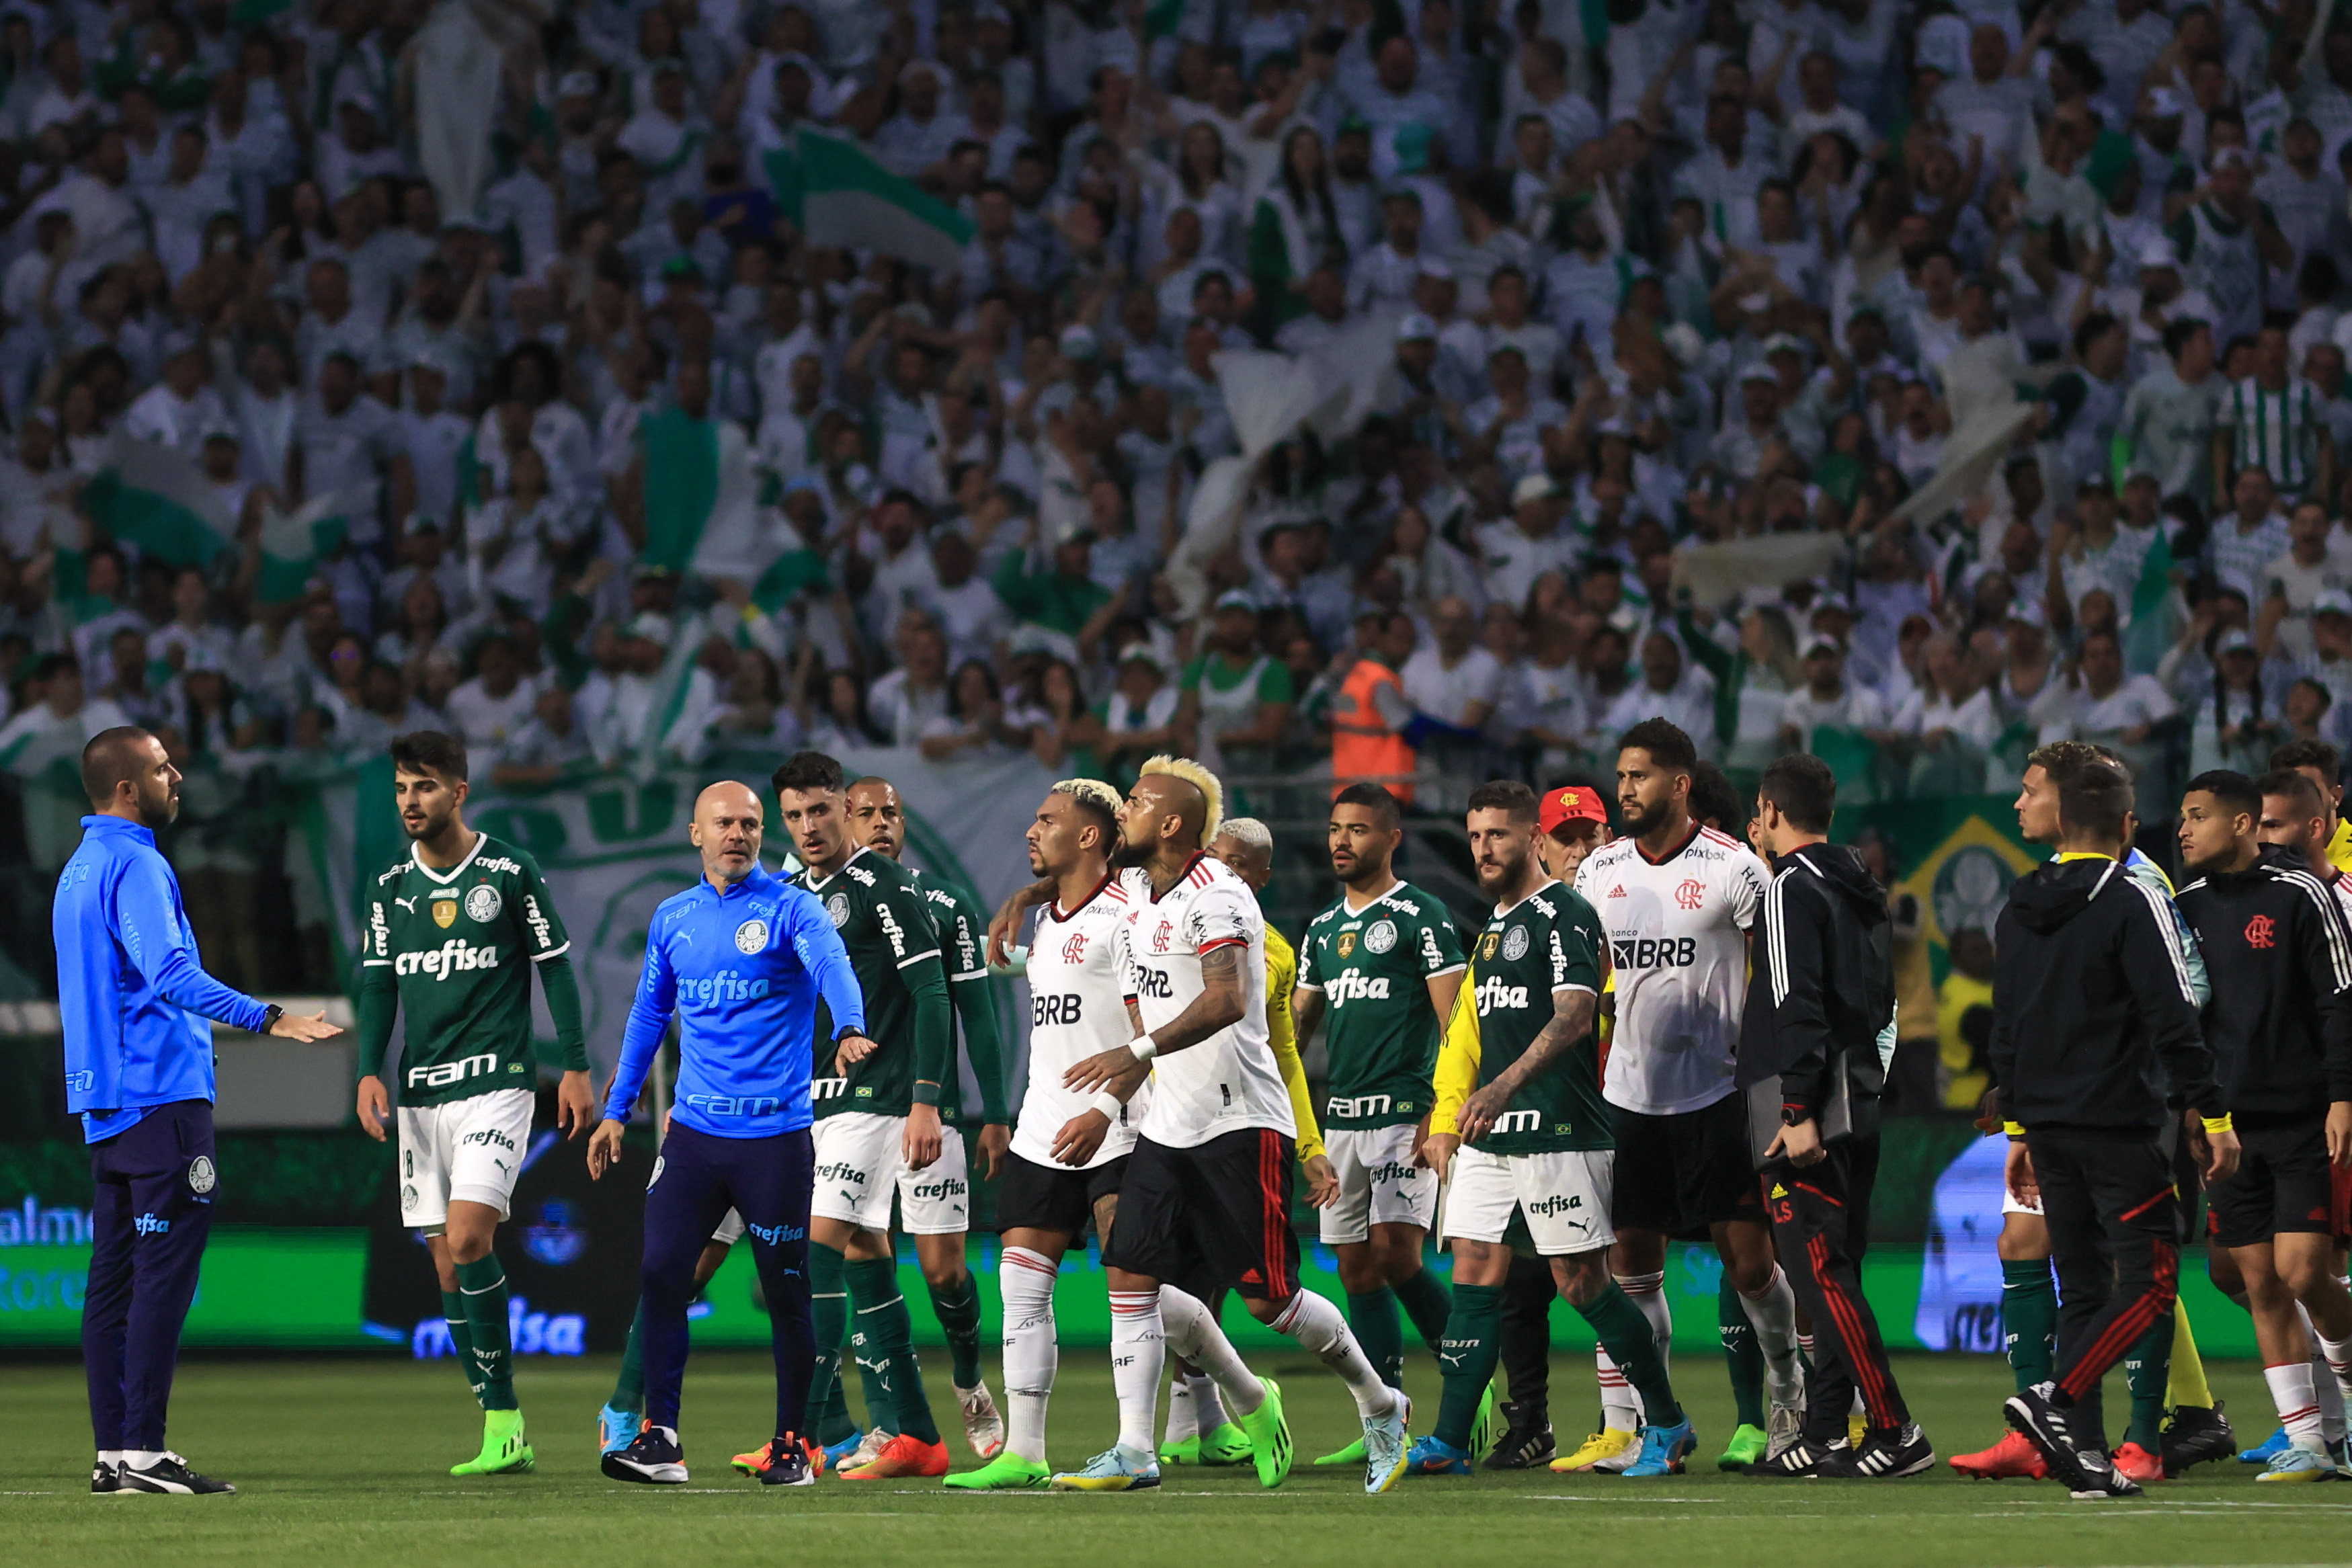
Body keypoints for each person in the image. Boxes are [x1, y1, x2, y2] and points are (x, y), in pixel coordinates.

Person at [1053, 756, 1410, 1495]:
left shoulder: (1220, 897)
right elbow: (1138, 1015)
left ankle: (1381, 1402)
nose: (1124, 811)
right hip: (1169, 1124)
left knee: (1268, 1297)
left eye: (1138, 803)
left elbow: (1224, 999)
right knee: (1129, 1272)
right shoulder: (1132, 903)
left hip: (1238, 1120)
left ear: (1172, 823)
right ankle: (1134, 1447)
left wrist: (1136, 1051)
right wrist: (1113, 1099)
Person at [58, 727, 339, 1495]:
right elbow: (171, 972)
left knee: (111, 1283)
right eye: (160, 767)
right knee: (161, 1277)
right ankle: (146, 1452)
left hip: (108, 1103)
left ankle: (116, 1453)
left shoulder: (78, 869)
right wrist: (267, 1015)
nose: (175, 775)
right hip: (161, 1101)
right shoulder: (135, 862)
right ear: (126, 788)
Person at [1407, 778, 1693, 1478]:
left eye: (1498, 834)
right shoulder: (1498, 926)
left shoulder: (1563, 912)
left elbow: (1572, 1015)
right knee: (1474, 1269)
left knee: (1580, 1281)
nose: (1483, 849)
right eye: (1474, 836)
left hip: (1560, 1126)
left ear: (1532, 839)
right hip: (1491, 1131)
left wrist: (1499, 1087)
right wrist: (1454, 1112)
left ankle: (1669, 1422)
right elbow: (1469, 1033)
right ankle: (1448, 1438)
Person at [587, 782, 866, 1488]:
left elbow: (833, 963)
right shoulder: (672, 916)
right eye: (723, 823)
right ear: (695, 833)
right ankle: (661, 1437)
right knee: (660, 1274)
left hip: (774, 1139)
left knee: (785, 1292)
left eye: (749, 823)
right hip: (693, 1136)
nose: (737, 833)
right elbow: (649, 1016)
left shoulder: (791, 907)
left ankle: (792, 1444)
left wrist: (850, 1023)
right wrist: (617, 1109)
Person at [1990, 748, 2238, 1497]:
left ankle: (2088, 1458)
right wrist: (2214, 1113)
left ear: (2064, 818)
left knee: (2085, 1287)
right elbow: (2172, 1016)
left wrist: (2016, 1130)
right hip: (2118, 1122)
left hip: (2047, 1127)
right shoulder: (2132, 899)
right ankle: (2058, 1399)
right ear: (2127, 824)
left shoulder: (2019, 901)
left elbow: (2006, 1026)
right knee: (2154, 1280)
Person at [352, 730, 594, 1479]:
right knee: (446, 1265)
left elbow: (555, 968)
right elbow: (380, 984)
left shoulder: (508, 871)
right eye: (400, 788)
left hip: (497, 1081)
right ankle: (500, 1423)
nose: (409, 801)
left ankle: (506, 1415)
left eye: (423, 786)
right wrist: (368, 1068)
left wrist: (578, 1065)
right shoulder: (391, 886)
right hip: (422, 1096)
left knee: (466, 1238)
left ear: (459, 791)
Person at [1568, 719, 1801, 1473]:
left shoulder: (1737, 868)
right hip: (1627, 1100)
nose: (1624, 788)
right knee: (1632, 1267)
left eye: (1638, 776)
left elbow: (1779, 983)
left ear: (1680, 783)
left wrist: (1776, 1087)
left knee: (1751, 1267)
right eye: (1620, 775)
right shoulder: (1597, 871)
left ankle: (1787, 1386)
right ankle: (1653, 1422)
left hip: (1717, 1096)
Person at [945, 779, 1141, 1491]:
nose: (1032, 830)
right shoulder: (1050, 920)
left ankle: (1219, 1401)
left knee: (1141, 1294)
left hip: (1119, 1128)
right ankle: (1023, 1451)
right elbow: (1017, 967)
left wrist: (1110, 1107)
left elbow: (1150, 1034)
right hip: (1041, 1128)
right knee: (1022, 1291)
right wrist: (1024, 901)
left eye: (1047, 820)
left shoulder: (1129, 917)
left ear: (1089, 836)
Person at [1739, 753, 1929, 1479]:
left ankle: (1893, 1427)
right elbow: (1876, 1001)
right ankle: (1823, 1432)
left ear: (1772, 811)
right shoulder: (1858, 884)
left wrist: (1794, 1108)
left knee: (1821, 1273)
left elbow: (1795, 1000)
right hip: (1855, 1091)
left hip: (1802, 1105)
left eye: (1759, 813)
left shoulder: (1790, 887)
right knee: (1835, 1268)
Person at [774, 749, 957, 1479]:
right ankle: (907, 1430)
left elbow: (935, 995)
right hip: (803, 1105)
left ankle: (806, 1434)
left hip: (879, 1100)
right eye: (794, 815)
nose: (808, 826)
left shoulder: (885, 886)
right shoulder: (786, 891)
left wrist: (927, 1099)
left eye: (820, 810)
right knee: (860, 1254)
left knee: (816, 1250)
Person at [2174, 770, 2352, 1484]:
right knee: (2259, 1279)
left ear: (2242, 824)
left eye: (2197, 816)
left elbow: (2340, 999)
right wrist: (2194, 1106)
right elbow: (2183, 1018)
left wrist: (2343, 1097)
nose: (2183, 829)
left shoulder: (2301, 895)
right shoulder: (2183, 906)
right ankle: (2308, 1439)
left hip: (2302, 1116)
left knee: (2304, 1268)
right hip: (2227, 1125)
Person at [1291, 783, 1466, 1461]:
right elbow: (1295, 1030)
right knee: (1357, 1269)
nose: (1342, 840)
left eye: (1358, 829)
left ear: (1392, 837)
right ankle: (1385, 1417)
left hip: (1403, 1114)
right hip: (1341, 1118)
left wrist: (1438, 1112)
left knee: (1398, 1254)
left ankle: (1468, 1388)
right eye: (1336, 827)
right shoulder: (1319, 929)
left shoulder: (1422, 915)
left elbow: (1455, 1022)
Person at [845, 774, 1012, 1460]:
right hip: (847, 1110)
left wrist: (993, 1112)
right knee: (861, 1254)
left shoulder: (944, 904)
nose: (881, 822)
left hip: (928, 1111)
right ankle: (892, 1415)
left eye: (891, 812)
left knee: (943, 1269)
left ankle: (970, 1379)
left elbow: (977, 1013)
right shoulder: (815, 903)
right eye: (867, 813)